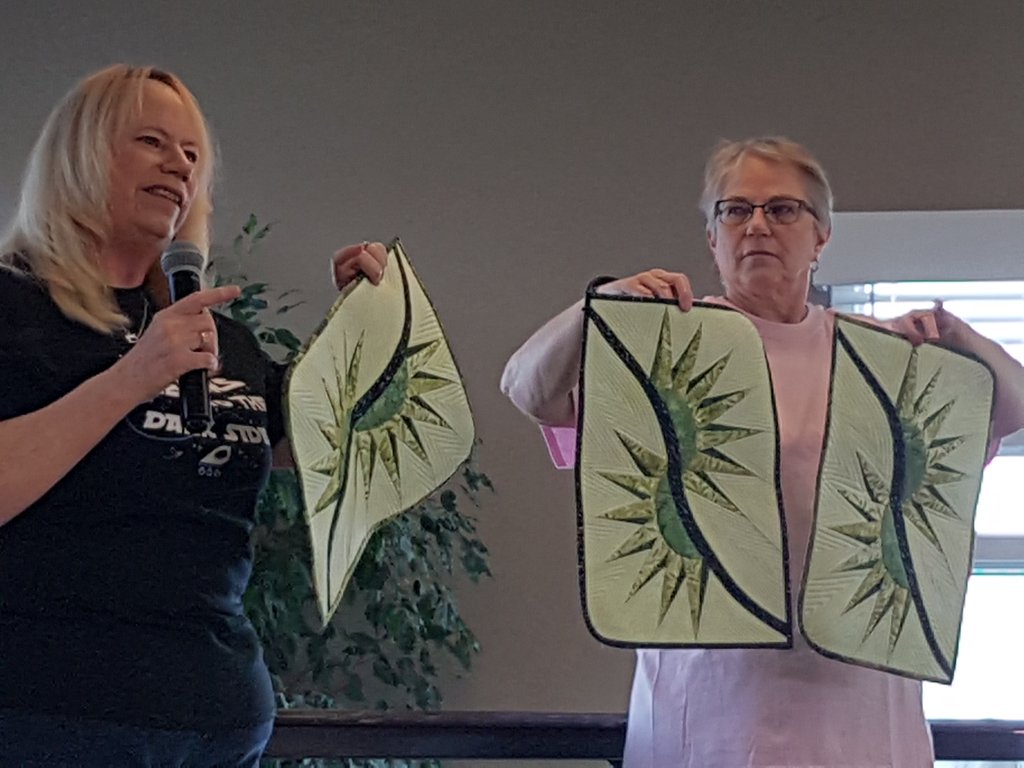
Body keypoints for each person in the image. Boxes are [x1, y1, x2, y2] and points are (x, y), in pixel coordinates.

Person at [501, 136, 1024, 768]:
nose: (756, 226)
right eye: (735, 210)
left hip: (861, 703)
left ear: (821, 236)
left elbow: (1012, 407)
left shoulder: (877, 359)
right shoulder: (660, 351)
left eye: (782, 209)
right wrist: (599, 308)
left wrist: (959, 336)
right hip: (706, 704)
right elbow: (528, 389)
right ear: (711, 238)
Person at [0, 64, 388, 767]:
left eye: (192, 154)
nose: (179, 165)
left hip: (216, 720)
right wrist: (131, 380)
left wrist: (359, 329)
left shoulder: (216, 336)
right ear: (81, 155)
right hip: (51, 716)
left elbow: (321, 447)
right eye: (152, 141)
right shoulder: (13, 307)